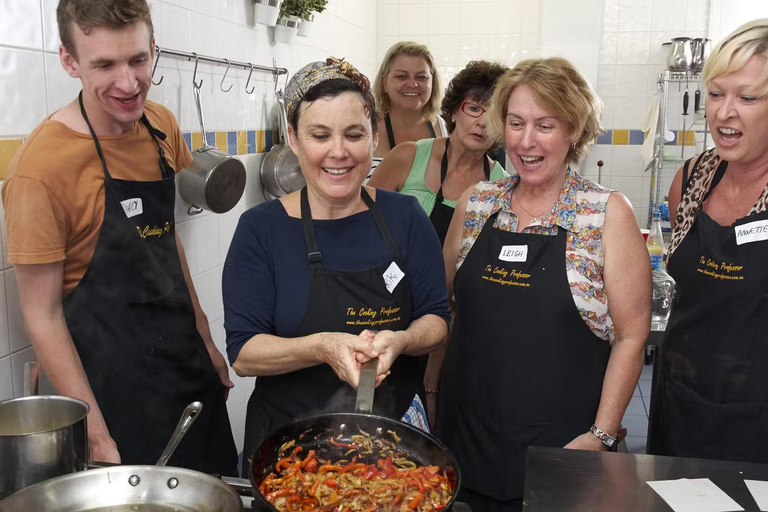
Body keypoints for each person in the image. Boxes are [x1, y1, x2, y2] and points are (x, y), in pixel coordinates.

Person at [1, 0, 237, 474]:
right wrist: (93, 431)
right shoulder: (42, 168)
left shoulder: (161, 126)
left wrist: (206, 340)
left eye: (137, 59)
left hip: (182, 369)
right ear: (69, 62)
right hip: (105, 391)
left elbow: (165, 243)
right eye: (104, 64)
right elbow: (41, 314)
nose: (129, 84)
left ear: (153, 48)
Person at [431, 57, 651, 511]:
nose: (526, 141)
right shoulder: (477, 204)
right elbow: (446, 308)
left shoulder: (605, 213)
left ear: (574, 129)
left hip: (564, 448)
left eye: (545, 125)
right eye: (515, 123)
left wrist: (602, 435)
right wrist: (431, 396)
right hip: (464, 438)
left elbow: (631, 335)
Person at [223, 58, 450, 468]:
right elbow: (243, 354)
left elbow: (435, 319)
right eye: (320, 135)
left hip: (393, 441)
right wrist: (324, 347)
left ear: (374, 135)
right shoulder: (261, 229)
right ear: (293, 138)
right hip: (287, 446)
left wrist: (401, 340)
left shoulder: (406, 216)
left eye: (353, 134)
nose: (339, 152)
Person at [651, 19, 768, 463]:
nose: (724, 112)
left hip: (758, 420)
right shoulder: (691, 178)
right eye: (716, 94)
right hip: (681, 403)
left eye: (748, 97)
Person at [369, 60, 509, 246]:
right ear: (453, 112)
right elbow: (364, 220)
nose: (482, 122)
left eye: (494, 115)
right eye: (474, 109)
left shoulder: (503, 186)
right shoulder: (407, 157)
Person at [370, 41, 447, 176]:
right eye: (402, 76)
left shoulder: (446, 128)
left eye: (421, 77)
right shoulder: (367, 129)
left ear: (432, 83)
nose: (412, 84)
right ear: (385, 83)